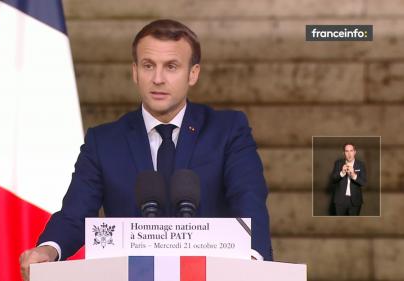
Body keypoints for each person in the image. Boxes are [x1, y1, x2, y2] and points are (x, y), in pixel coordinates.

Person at [20, 19, 272, 280]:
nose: (158, 79)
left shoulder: (227, 130)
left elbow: (249, 199)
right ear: (135, 71)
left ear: (193, 73)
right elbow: (75, 215)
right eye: (148, 66)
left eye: (171, 67)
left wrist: (253, 262)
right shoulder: (103, 141)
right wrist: (48, 250)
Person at [331, 143, 367, 216]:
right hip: (340, 201)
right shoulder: (338, 163)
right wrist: (342, 173)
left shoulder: (361, 164)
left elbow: (364, 182)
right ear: (344, 153)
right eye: (347, 151)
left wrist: (354, 175)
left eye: (351, 151)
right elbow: (333, 180)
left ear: (355, 152)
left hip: (355, 201)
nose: (349, 154)